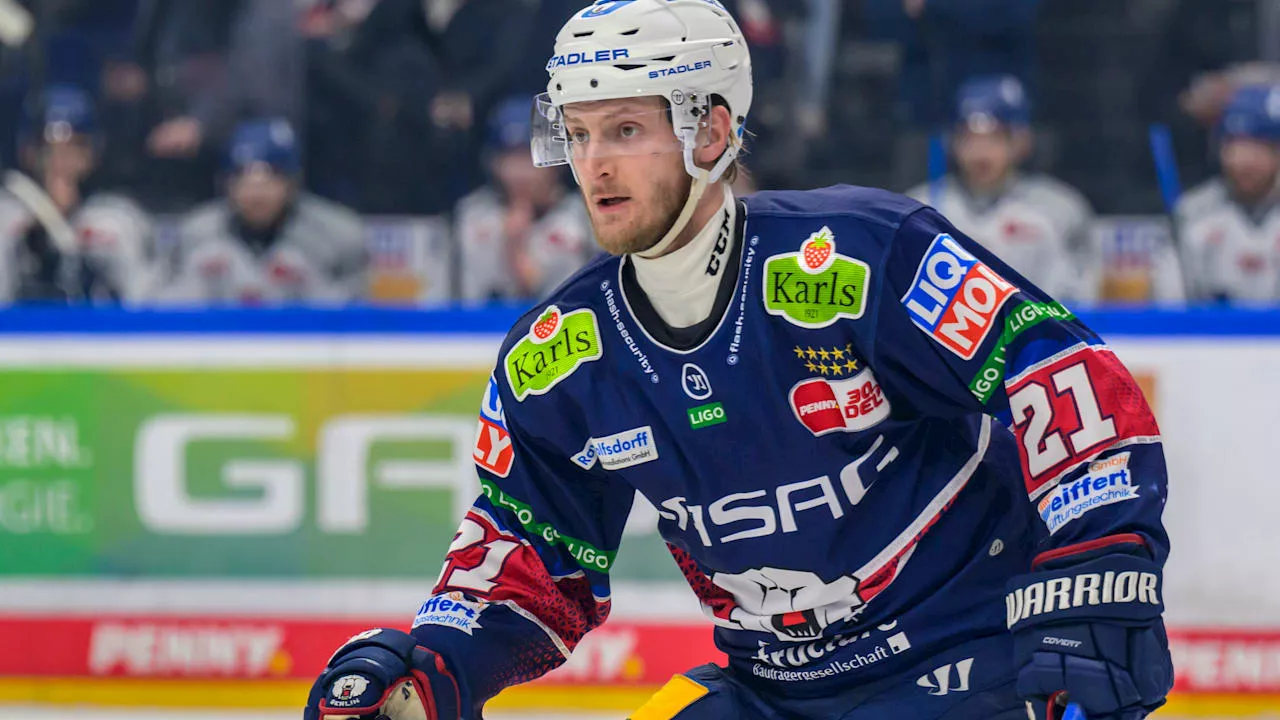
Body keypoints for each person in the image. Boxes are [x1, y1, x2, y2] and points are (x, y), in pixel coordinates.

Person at [304, 2, 1173, 720]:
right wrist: (430, 669)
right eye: (577, 133)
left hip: (976, 665)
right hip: (778, 696)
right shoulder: (557, 358)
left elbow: (1049, 365)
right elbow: (532, 555)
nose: (594, 165)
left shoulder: (860, 255)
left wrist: (1099, 552)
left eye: (626, 129)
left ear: (712, 131)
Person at [908, 76, 1099, 303]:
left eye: (995, 138)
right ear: (952, 142)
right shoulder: (920, 207)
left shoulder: (1060, 208)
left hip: (1039, 335)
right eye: (969, 138)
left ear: (1021, 141)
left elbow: (1085, 296)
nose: (981, 151)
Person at [154, 118, 366, 305]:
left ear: (292, 182)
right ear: (227, 185)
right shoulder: (196, 234)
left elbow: (360, 319)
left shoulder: (339, 236)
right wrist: (195, 284)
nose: (257, 195)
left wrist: (310, 287)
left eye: (270, 181)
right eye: (244, 182)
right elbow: (159, 310)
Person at [0, 84, 154, 304]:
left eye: (74, 146)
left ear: (93, 152)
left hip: (100, 334)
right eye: (48, 148)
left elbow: (143, 303)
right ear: (27, 151)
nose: (60, 158)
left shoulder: (119, 218)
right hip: (20, 336)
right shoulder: (5, 216)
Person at [457, 95, 595, 302]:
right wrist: (512, 244)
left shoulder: (585, 216)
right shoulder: (473, 215)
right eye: (511, 158)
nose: (520, 173)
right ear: (492, 162)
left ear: (557, 161)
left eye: (531, 159)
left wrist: (520, 253)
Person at [1175, 84, 1280, 303]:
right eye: (1232, 146)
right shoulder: (1193, 212)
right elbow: (1173, 303)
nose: (1241, 160)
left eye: (1256, 147)